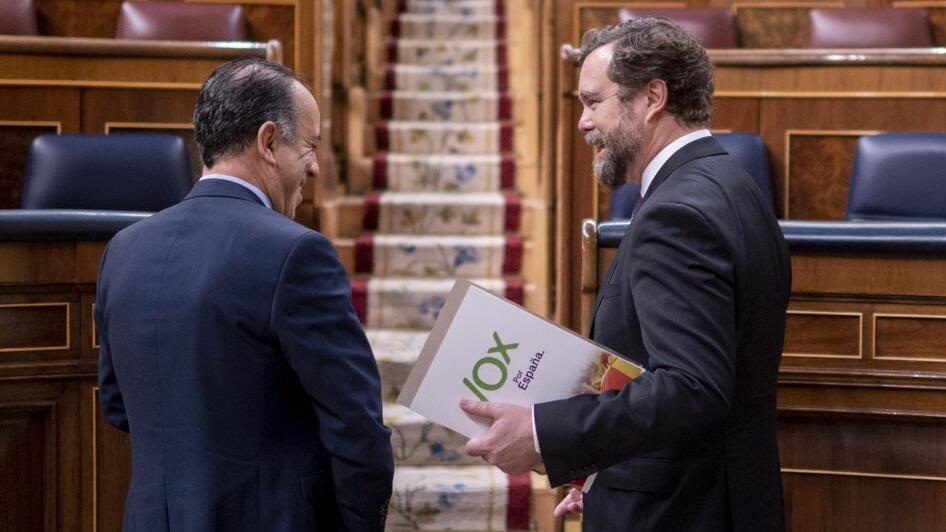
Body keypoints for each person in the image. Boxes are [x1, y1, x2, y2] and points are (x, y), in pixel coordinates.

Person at [459, 18, 791, 531]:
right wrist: (604, 479)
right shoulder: (733, 185)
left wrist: (543, 432)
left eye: (594, 103)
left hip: (679, 514)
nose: (582, 124)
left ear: (652, 96)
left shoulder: (677, 213)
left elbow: (689, 387)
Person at [96, 57, 394, 532]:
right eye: (310, 145)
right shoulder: (298, 254)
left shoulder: (123, 250)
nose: (315, 166)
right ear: (270, 142)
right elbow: (356, 429)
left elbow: (116, 403)